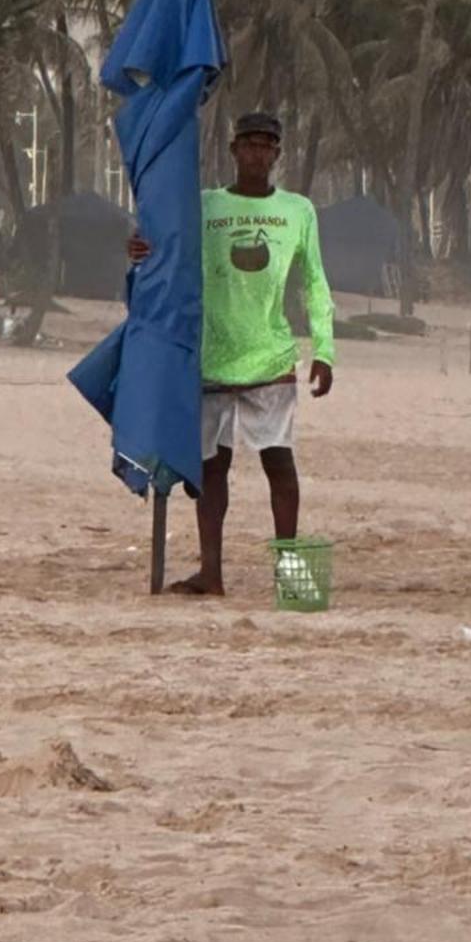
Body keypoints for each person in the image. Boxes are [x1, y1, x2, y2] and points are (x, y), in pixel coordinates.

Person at [129, 110, 335, 596]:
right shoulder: (205, 206)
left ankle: (293, 580)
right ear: (233, 150)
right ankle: (212, 573)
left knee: (279, 465)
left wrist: (324, 350)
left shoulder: (298, 211)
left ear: (278, 155)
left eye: (268, 146)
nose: (258, 154)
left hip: (270, 358)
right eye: (249, 144)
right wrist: (141, 248)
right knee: (210, 470)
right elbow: (166, 248)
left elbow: (314, 283)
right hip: (211, 358)